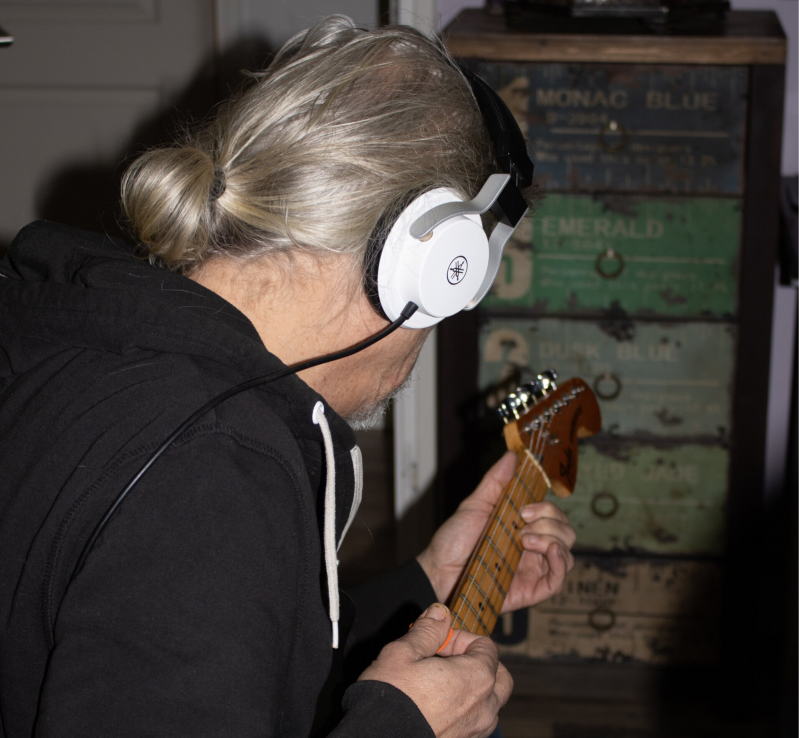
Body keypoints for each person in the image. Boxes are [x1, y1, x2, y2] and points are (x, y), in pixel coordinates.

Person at [0, 16, 576, 738]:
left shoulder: (86, 329)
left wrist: (428, 582)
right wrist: (403, 727)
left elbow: (222, 656)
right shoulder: (213, 474)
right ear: (430, 268)